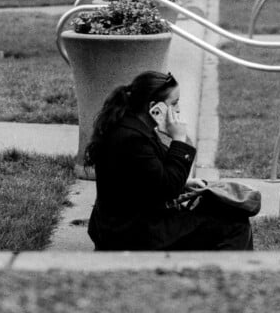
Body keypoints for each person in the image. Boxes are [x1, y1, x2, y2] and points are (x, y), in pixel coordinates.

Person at [85, 70, 253, 251]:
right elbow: (167, 187)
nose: (178, 109)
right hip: (134, 233)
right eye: (174, 103)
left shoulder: (132, 126)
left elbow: (147, 177)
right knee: (236, 225)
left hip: (130, 224)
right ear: (154, 108)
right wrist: (178, 139)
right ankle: (228, 276)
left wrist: (185, 183)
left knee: (225, 213)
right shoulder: (132, 139)